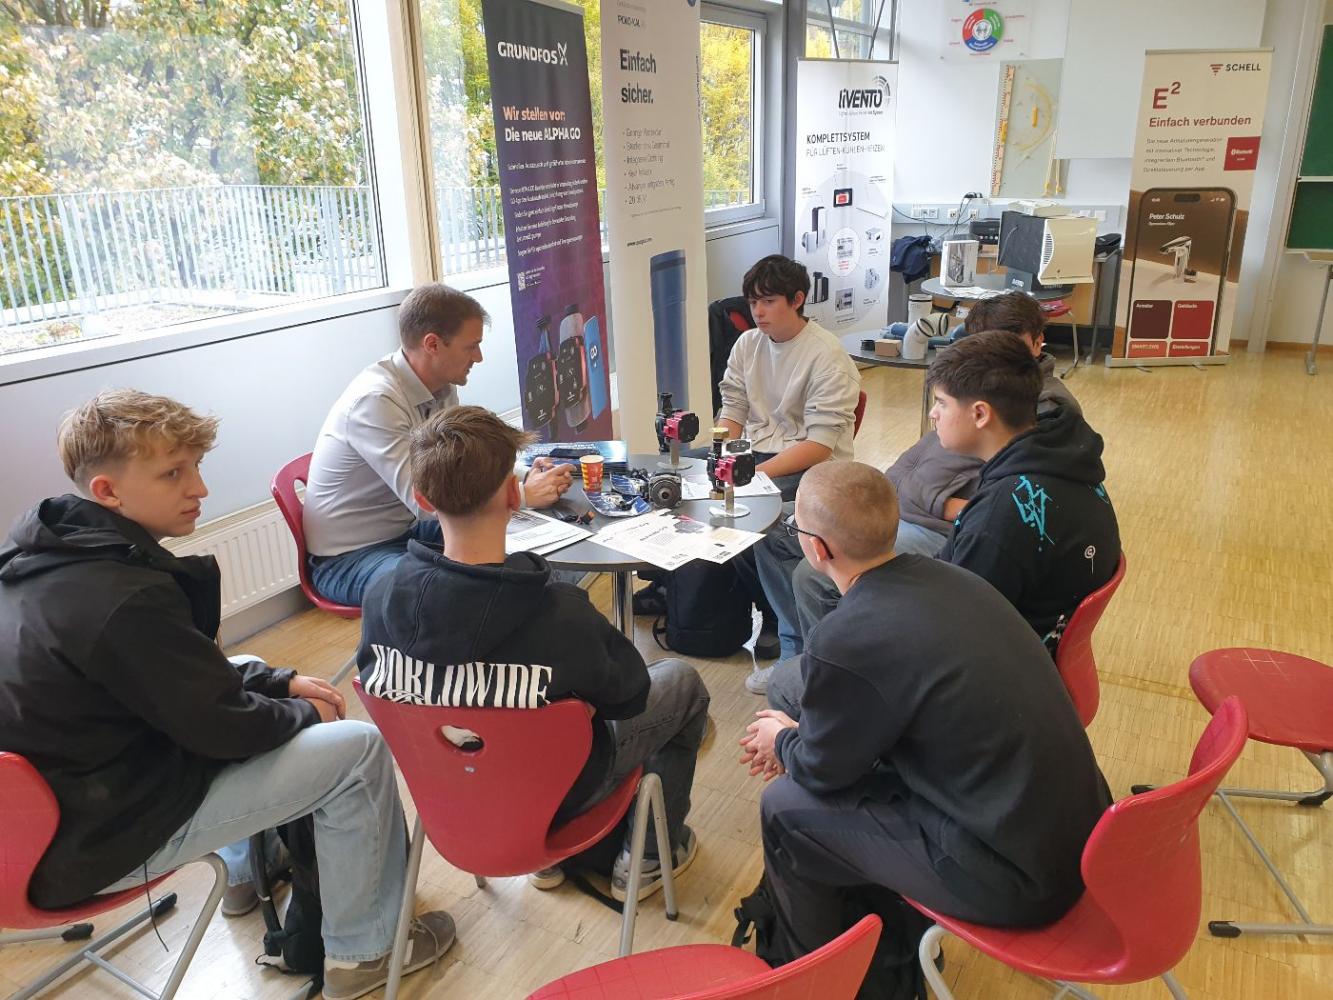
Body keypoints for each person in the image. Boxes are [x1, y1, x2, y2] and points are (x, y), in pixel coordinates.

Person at [0, 390, 454, 1000]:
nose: (200, 488)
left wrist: (276, 682)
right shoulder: (122, 599)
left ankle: (244, 874)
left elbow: (180, 670)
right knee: (358, 751)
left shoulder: (43, 551)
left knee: (246, 665)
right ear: (108, 490)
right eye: (173, 473)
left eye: (195, 466)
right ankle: (365, 954)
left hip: (41, 821)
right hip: (98, 838)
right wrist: (302, 710)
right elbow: (223, 729)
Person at [739, 462, 1111, 995]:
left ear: (817, 549)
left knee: (784, 809)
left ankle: (815, 982)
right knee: (796, 700)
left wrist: (783, 740)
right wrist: (800, 739)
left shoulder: (847, 637)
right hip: (1078, 835)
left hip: (1016, 876)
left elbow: (822, 773)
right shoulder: (955, 578)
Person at [358, 405, 710, 900]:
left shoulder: (378, 598)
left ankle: (551, 863)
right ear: (512, 494)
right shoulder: (560, 615)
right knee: (682, 684)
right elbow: (630, 697)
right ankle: (651, 856)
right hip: (562, 792)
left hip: (451, 793)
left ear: (422, 498)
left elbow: (383, 687)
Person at [766, 330, 1121, 715]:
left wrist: (869, 627)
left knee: (788, 684)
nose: (933, 414)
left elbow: (946, 636)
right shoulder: (1062, 460)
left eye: (941, 403)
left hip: (993, 685)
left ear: (980, 414)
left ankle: (836, 716)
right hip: (1025, 645)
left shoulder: (998, 519)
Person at [637, 255, 861, 658]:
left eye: (769, 301)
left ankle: (778, 617)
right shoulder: (748, 343)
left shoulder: (827, 356)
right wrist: (723, 453)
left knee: (750, 511)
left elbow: (820, 444)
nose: (758, 311)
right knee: (673, 477)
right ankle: (675, 586)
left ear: (797, 300)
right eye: (753, 302)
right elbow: (733, 408)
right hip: (754, 452)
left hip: (809, 463)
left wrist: (749, 475)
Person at [303, 283, 573, 607]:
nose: (479, 357)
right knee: (447, 591)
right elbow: (428, 500)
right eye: (471, 346)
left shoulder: (441, 385)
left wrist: (524, 474)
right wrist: (523, 495)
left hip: (409, 532)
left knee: (540, 558)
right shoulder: (374, 402)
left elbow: (463, 463)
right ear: (432, 344)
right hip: (350, 558)